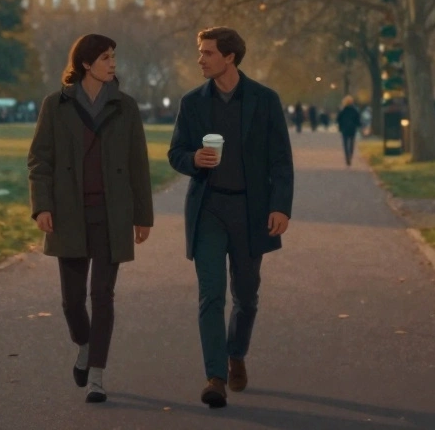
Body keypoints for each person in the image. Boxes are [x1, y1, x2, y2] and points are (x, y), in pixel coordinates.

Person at [168, 27, 294, 409]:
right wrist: (193, 160)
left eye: (207, 53)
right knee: (210, 296)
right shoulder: (192, 103)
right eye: (200, 52)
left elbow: (281, 161)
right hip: (208, 209)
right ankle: (215, 377)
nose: (200, 59)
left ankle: (236, 351)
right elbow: (176, 152)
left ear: (230, 58)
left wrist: (280, 207)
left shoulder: (265, 100)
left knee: (247, 295)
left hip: (250, 211)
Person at [28, 34, 154, 404]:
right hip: (69, 214)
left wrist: (142, 216)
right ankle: (84, 345)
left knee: (102, 294)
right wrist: (43, 206)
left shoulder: (125, 107)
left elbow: (138, 165)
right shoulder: (56, 105)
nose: (112, 63)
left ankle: (97, 374)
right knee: (71, 302)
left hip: (111, 215)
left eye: (114, 56)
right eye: (105, 57)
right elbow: (39, 160)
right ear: (86, 64)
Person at [337, 96, 362, 166]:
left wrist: (340, 127)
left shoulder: (343, 110)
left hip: (344, 129)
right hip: (352, 129)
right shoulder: (355, 110)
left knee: (345, 143)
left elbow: (338, 119)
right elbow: (358, 120)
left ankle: (347, 156)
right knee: (351, 143)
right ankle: (350, 155)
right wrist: (358, 125)